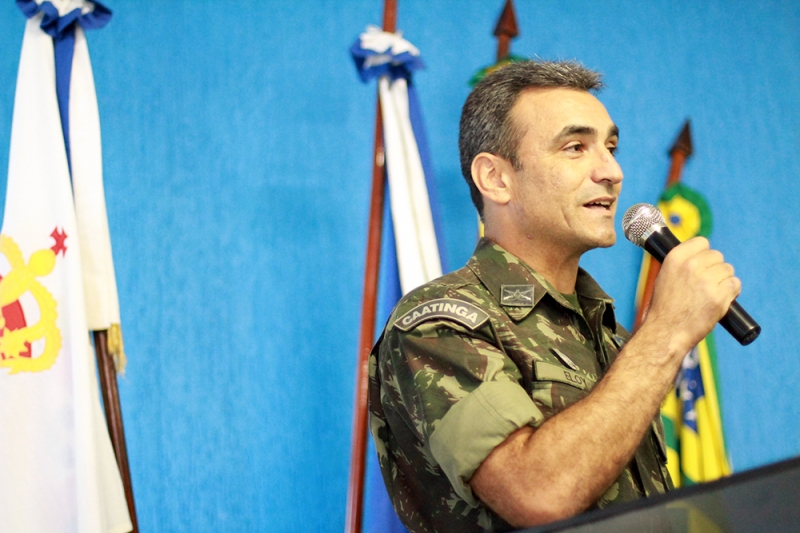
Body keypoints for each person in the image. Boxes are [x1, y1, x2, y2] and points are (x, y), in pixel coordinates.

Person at [368, 60, 741, 533]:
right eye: (575, 147)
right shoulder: (438, 323)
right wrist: (667, 332)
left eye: (610, 147)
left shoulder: (612, 336)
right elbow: (537, 496)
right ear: (496, 178)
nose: (612, 171)